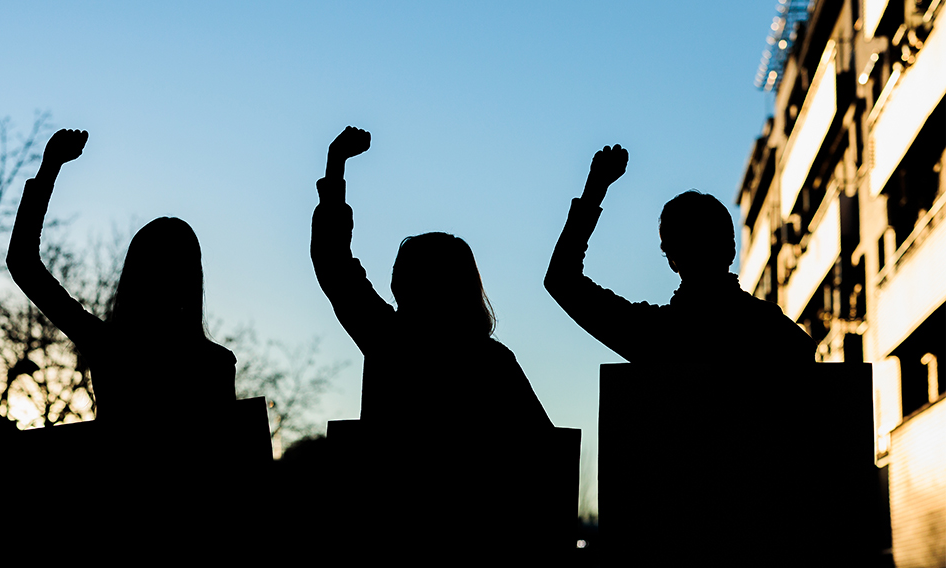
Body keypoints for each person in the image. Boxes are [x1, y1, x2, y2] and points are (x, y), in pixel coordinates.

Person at [311, 126, 553, 439]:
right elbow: (546, 448)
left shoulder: (389, 339)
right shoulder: (493, 361)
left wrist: (336, 165)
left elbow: (333, 262)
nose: (394, 275)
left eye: (404, 268)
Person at [7, 129, 237, 430]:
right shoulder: (215, 363)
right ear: (193, 280)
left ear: (134, 275)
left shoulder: (110, 348)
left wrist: (49, 169)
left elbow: (23, 263)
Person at [544, 144, 817, 364]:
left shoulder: (657, 335)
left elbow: (561, 280)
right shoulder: (778, 333)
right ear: (732, 250)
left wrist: (594, 192)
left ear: (672, 258)